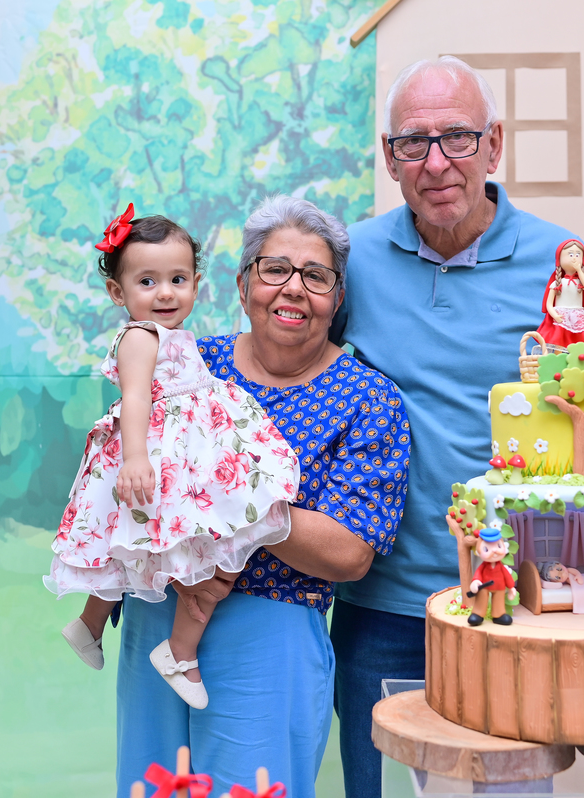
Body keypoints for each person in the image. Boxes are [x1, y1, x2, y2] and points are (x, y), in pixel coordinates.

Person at [329, 56, 584, 797]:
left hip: (516, 605)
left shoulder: (560, 265)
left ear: (494, 145)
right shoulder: (351, 262)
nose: (436, 163)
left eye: (457, 137)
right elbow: (294, 379)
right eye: (413, 142)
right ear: (389, 157)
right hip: (384, 608)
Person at [113, 196, 410, 798]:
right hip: (160, 610)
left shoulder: (369, 401)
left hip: (271, 631)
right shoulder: (189, 361)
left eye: (316, 276)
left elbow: (350, 551)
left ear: (337, 298)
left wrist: (239, 503)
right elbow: (127, 468)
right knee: (148, 786)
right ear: (244, 283)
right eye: (275, 269)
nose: (293, 288)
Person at [44, 207, 299, 711]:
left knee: (138, 550)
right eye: (147, 281)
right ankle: (180, 651)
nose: (165, 293)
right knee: (202, 553)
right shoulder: (140, 338)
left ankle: (90, 625)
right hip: (157, 459)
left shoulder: (173, 336)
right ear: (118, 292)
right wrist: (136, 457)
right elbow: (136, 398)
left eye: (177, 279)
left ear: (196, 285)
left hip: (180, 452)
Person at [537, 238, 584, 349]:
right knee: (558, 341)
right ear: (559, 259)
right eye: (570, 254)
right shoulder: (557, 283)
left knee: (581, 339)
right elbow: (549, 304)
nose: (574, 257)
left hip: (578, 314)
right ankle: (557, 356)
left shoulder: (581, 282)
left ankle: (580, 356)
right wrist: (554, 315)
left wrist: (579, 271)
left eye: (578, 254)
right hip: (561, 315)